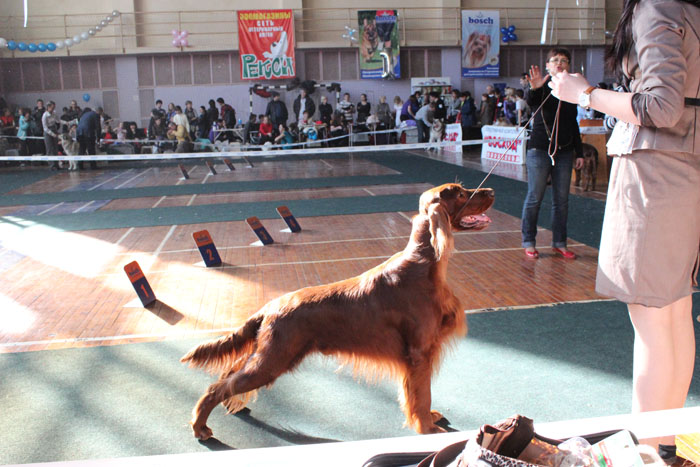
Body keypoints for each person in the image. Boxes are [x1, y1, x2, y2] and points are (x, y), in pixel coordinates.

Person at [549, 0, 699, 457]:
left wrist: (585, 94)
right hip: (685, 171)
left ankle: (648, 455)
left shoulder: (656, 7)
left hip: (658, 173)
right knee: (672, 317)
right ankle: (663, 450)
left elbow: (662, 106)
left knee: (654, 322)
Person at [521, 48, 584, 260]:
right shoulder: (541, 88)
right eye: (555, 60)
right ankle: (529, 241)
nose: (560, 63)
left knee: (562, 200)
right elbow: (531, 101)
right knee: (534, 197)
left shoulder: (573, 91)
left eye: (564, 60)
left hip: (565, 152)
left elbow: (573, 124)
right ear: (547, 65)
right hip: (539, 149)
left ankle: (560, 243)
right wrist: (535, 88)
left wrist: (580, 152)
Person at [41, 101, 61, 170]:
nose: (53, 109)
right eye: (52, 107)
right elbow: (45, 128)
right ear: (48, 107)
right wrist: (53, 134)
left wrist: (66, 122)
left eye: (54, 107)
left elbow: (58, 121)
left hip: (54, 129)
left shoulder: (54, 113)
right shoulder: (44, 115)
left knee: (55, 148)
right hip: (47, 132)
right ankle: (52, 165)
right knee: (49, 149)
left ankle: (57, 164)